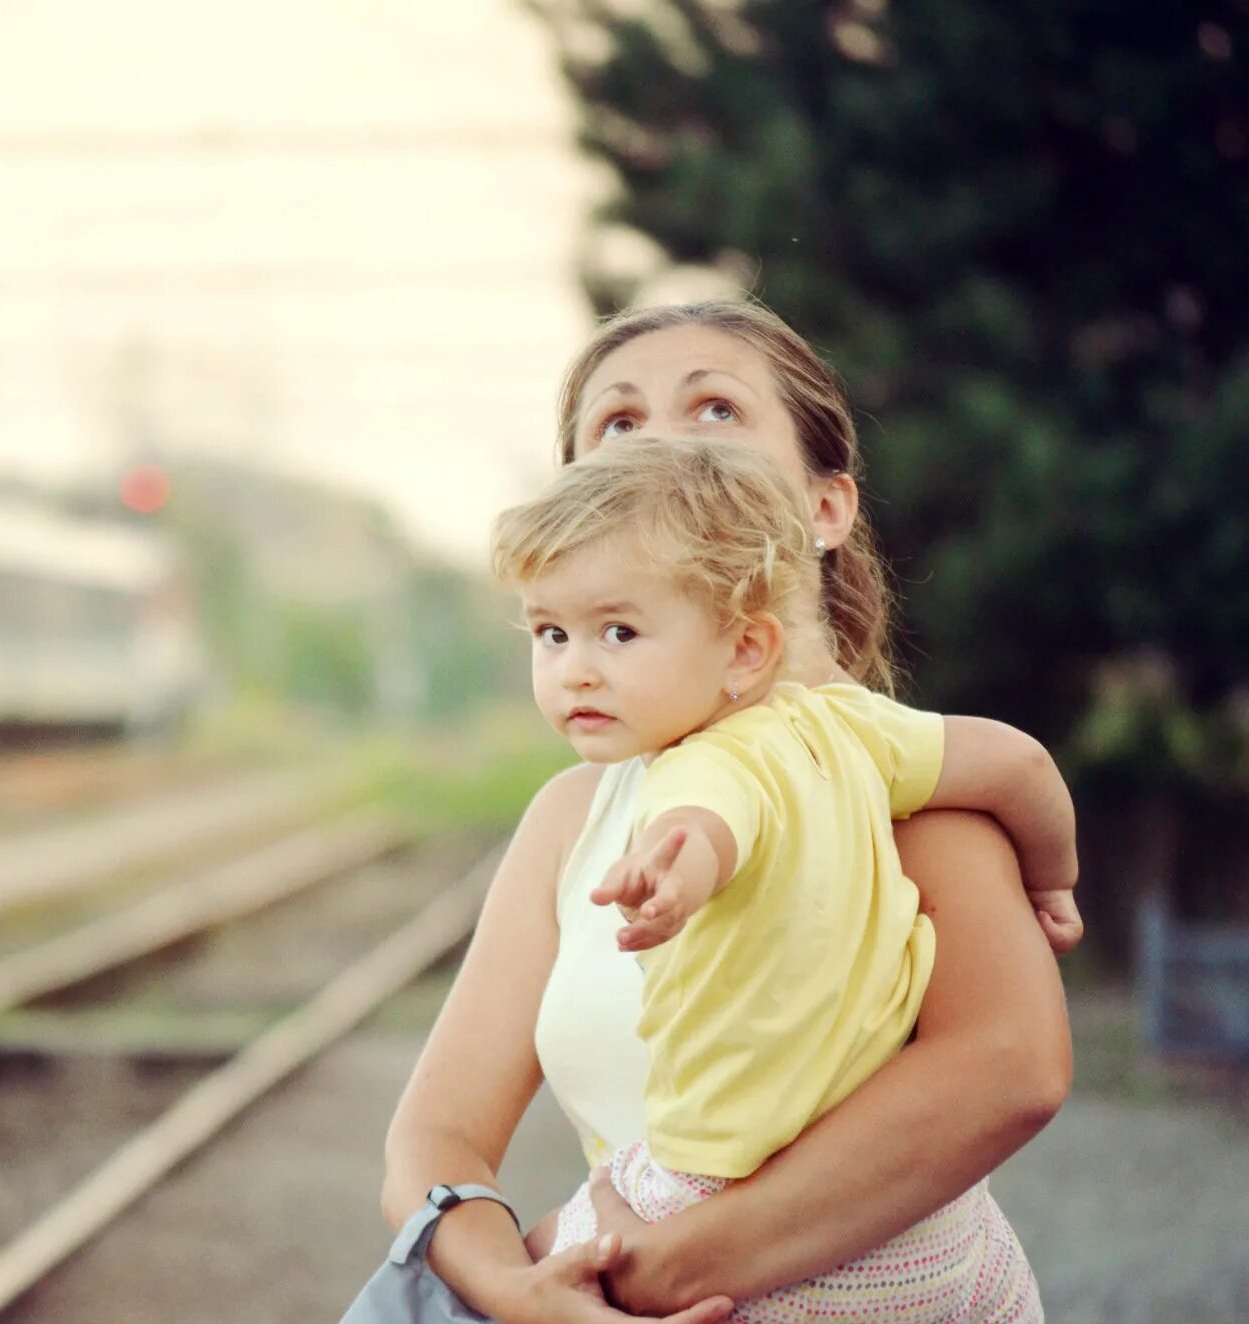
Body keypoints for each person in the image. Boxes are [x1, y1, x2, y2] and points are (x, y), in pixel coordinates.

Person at [380, 300, 1077, 1323]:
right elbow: (434, 1136)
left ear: (824, 505)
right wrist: (514, 1288)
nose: (659, 441)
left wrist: (659, 1266)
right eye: (616, 424)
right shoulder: (571, 814)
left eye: (714, 410)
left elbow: (1010, 1066)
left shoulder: (894, 773)